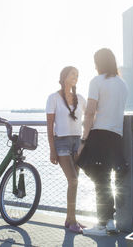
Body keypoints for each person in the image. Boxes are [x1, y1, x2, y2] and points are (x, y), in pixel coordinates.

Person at [77, 48, 128, 236]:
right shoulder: (123, 84)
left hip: (98, 134)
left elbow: (90, 112)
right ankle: (110, 222)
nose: (94, 65)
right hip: (116, 136)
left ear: (99, 63)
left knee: (98, 177)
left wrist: (83, 139)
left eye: (95, 61)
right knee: (104, 179)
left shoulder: (96, 81)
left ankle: (101, 225)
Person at [46, 66, 87, 234]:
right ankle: (72, 220)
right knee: (73, 180)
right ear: (64, 77)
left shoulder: (81, 98)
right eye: (72, 74)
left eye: (77, 75)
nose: (75, 77)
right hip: (61, 143)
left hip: (77, 143)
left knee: (74, 182)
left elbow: (91, 117)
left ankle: (70, 219)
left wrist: (85, 140)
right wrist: (52, 149)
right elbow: (49, 126)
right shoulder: (53, 98)